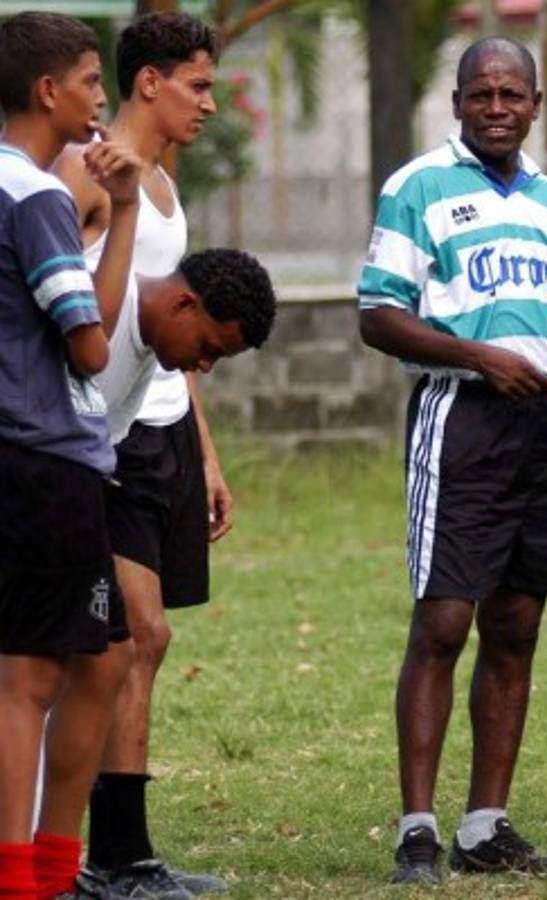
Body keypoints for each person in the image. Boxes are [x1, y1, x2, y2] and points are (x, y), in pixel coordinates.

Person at [358, 36, 547, 886]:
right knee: (445, 621)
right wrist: (477, 357)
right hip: (460, 418)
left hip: (544, 430)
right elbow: (377, 315)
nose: (497, 107)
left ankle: (484, 826)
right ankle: (417, 829)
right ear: (457, 102)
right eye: (481, 94)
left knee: (518, 623)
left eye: (512, 95)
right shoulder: (417, 186)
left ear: (536, 104)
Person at [54, 12, 238, 897]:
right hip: (99, 436)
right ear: (148, 82)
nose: (210, 102)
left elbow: (177, 326)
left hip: (157, 426)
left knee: (145, 645)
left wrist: (202, 447)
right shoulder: (87, 174)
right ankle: (102, 854)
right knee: (126, 639)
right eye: (198, 85)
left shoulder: (164, 183)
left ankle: (124, 854)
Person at [0, 12, 141, 900]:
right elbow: (90, 346)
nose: (102, 96)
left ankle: (47, 868)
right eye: (93, 79)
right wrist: (123, 211)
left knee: (102, 657)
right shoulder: (37, 196)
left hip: (27, 457)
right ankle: (27, 880)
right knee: (30, 676)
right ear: (49, 91)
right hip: (42, 457)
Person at [97, 248, 276, 448]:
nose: (206, 366)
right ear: (184, 304)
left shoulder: (149, 344)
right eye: (208, 348)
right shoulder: (95, 310)